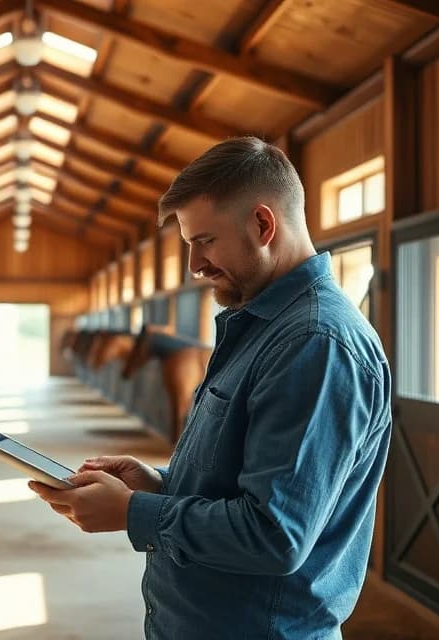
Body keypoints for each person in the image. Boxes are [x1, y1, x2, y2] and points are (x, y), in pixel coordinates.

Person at [29, 137, 392, 639]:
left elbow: (275, 535)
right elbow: (241, 482)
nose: (194, 265)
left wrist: (133, 512)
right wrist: (158, 484)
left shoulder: (314, 342)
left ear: (263, 225)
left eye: (205, 241)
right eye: (189, 244)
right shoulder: (262, 326)